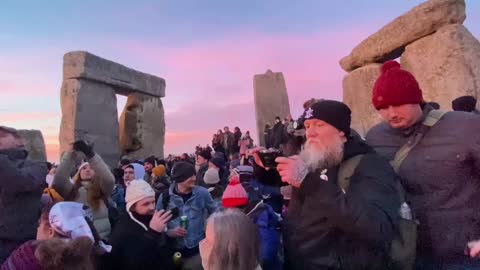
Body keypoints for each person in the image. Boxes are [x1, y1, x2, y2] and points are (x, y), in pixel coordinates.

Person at [253, 100, 400, 269]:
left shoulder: (369, 165)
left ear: (342, 133)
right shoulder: (317, 159)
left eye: (319, 125)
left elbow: (377, 228)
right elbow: (281, 178)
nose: (310, 133)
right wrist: (261, 167)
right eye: (307, 126)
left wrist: (309, 183)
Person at [366, 61, 480, 269]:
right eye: (382, 107)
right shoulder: (375, 137)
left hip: (466, 249)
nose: (391, 113)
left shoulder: (465, 126)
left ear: (416, 99)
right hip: (411, 250)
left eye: (398, 104)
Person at [1, 201, 109, 270]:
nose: (37, 229)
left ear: (51, 231)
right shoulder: (88, 261)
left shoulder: (28, 255)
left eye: (40, 224)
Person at [156, 162, 218, 270]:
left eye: (194, 174)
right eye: (190, 176)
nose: (194, 178)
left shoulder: (202, 193)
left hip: (197, 251)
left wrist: (210, 232)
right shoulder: (165, 197)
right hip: (174, 251)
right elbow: (156, 223)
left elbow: (216, 214)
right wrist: (169, 232)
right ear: (179, 178)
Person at [0, 126, 48, 264]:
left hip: (19, 242)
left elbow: (20, 182)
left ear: (19, 141)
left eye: (1, 135)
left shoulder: (37, 166)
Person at [52, 140, 115, 240]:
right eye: (84, 168)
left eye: (90, 168)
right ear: (79, 172)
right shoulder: (71, 190)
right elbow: (58, 182)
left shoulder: (101, 189)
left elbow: (109, 180)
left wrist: (91, 155)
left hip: (102, 241)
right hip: (79, 243)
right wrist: (70, 153)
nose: (87, 170)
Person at [107, 180, 174, 270]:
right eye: (145, 204)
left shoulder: (148, 217)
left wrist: (168, 233)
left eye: (153, 202)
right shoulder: (124, 229)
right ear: (133, 206)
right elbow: (135, 261)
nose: (152, 207)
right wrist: (153, 233)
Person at [221, 177, 282, 270]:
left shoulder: (261, 223)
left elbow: (267, 254)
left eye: (227, 209)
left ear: (235, 209)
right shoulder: (242, 221)